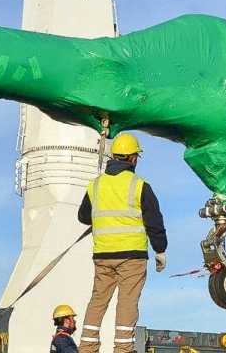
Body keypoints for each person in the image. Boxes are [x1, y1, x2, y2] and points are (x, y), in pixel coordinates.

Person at [77, 133, 168, 353]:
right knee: (127, 303)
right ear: (133, 158)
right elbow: (154, 221)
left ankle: (87, 347)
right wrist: (160, 250)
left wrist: (105, 218)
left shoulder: (96, 185)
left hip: (103, 256)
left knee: (98, 301)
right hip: (132, 257)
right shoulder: (139, 186)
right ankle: (123, 349)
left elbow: (83, 216)